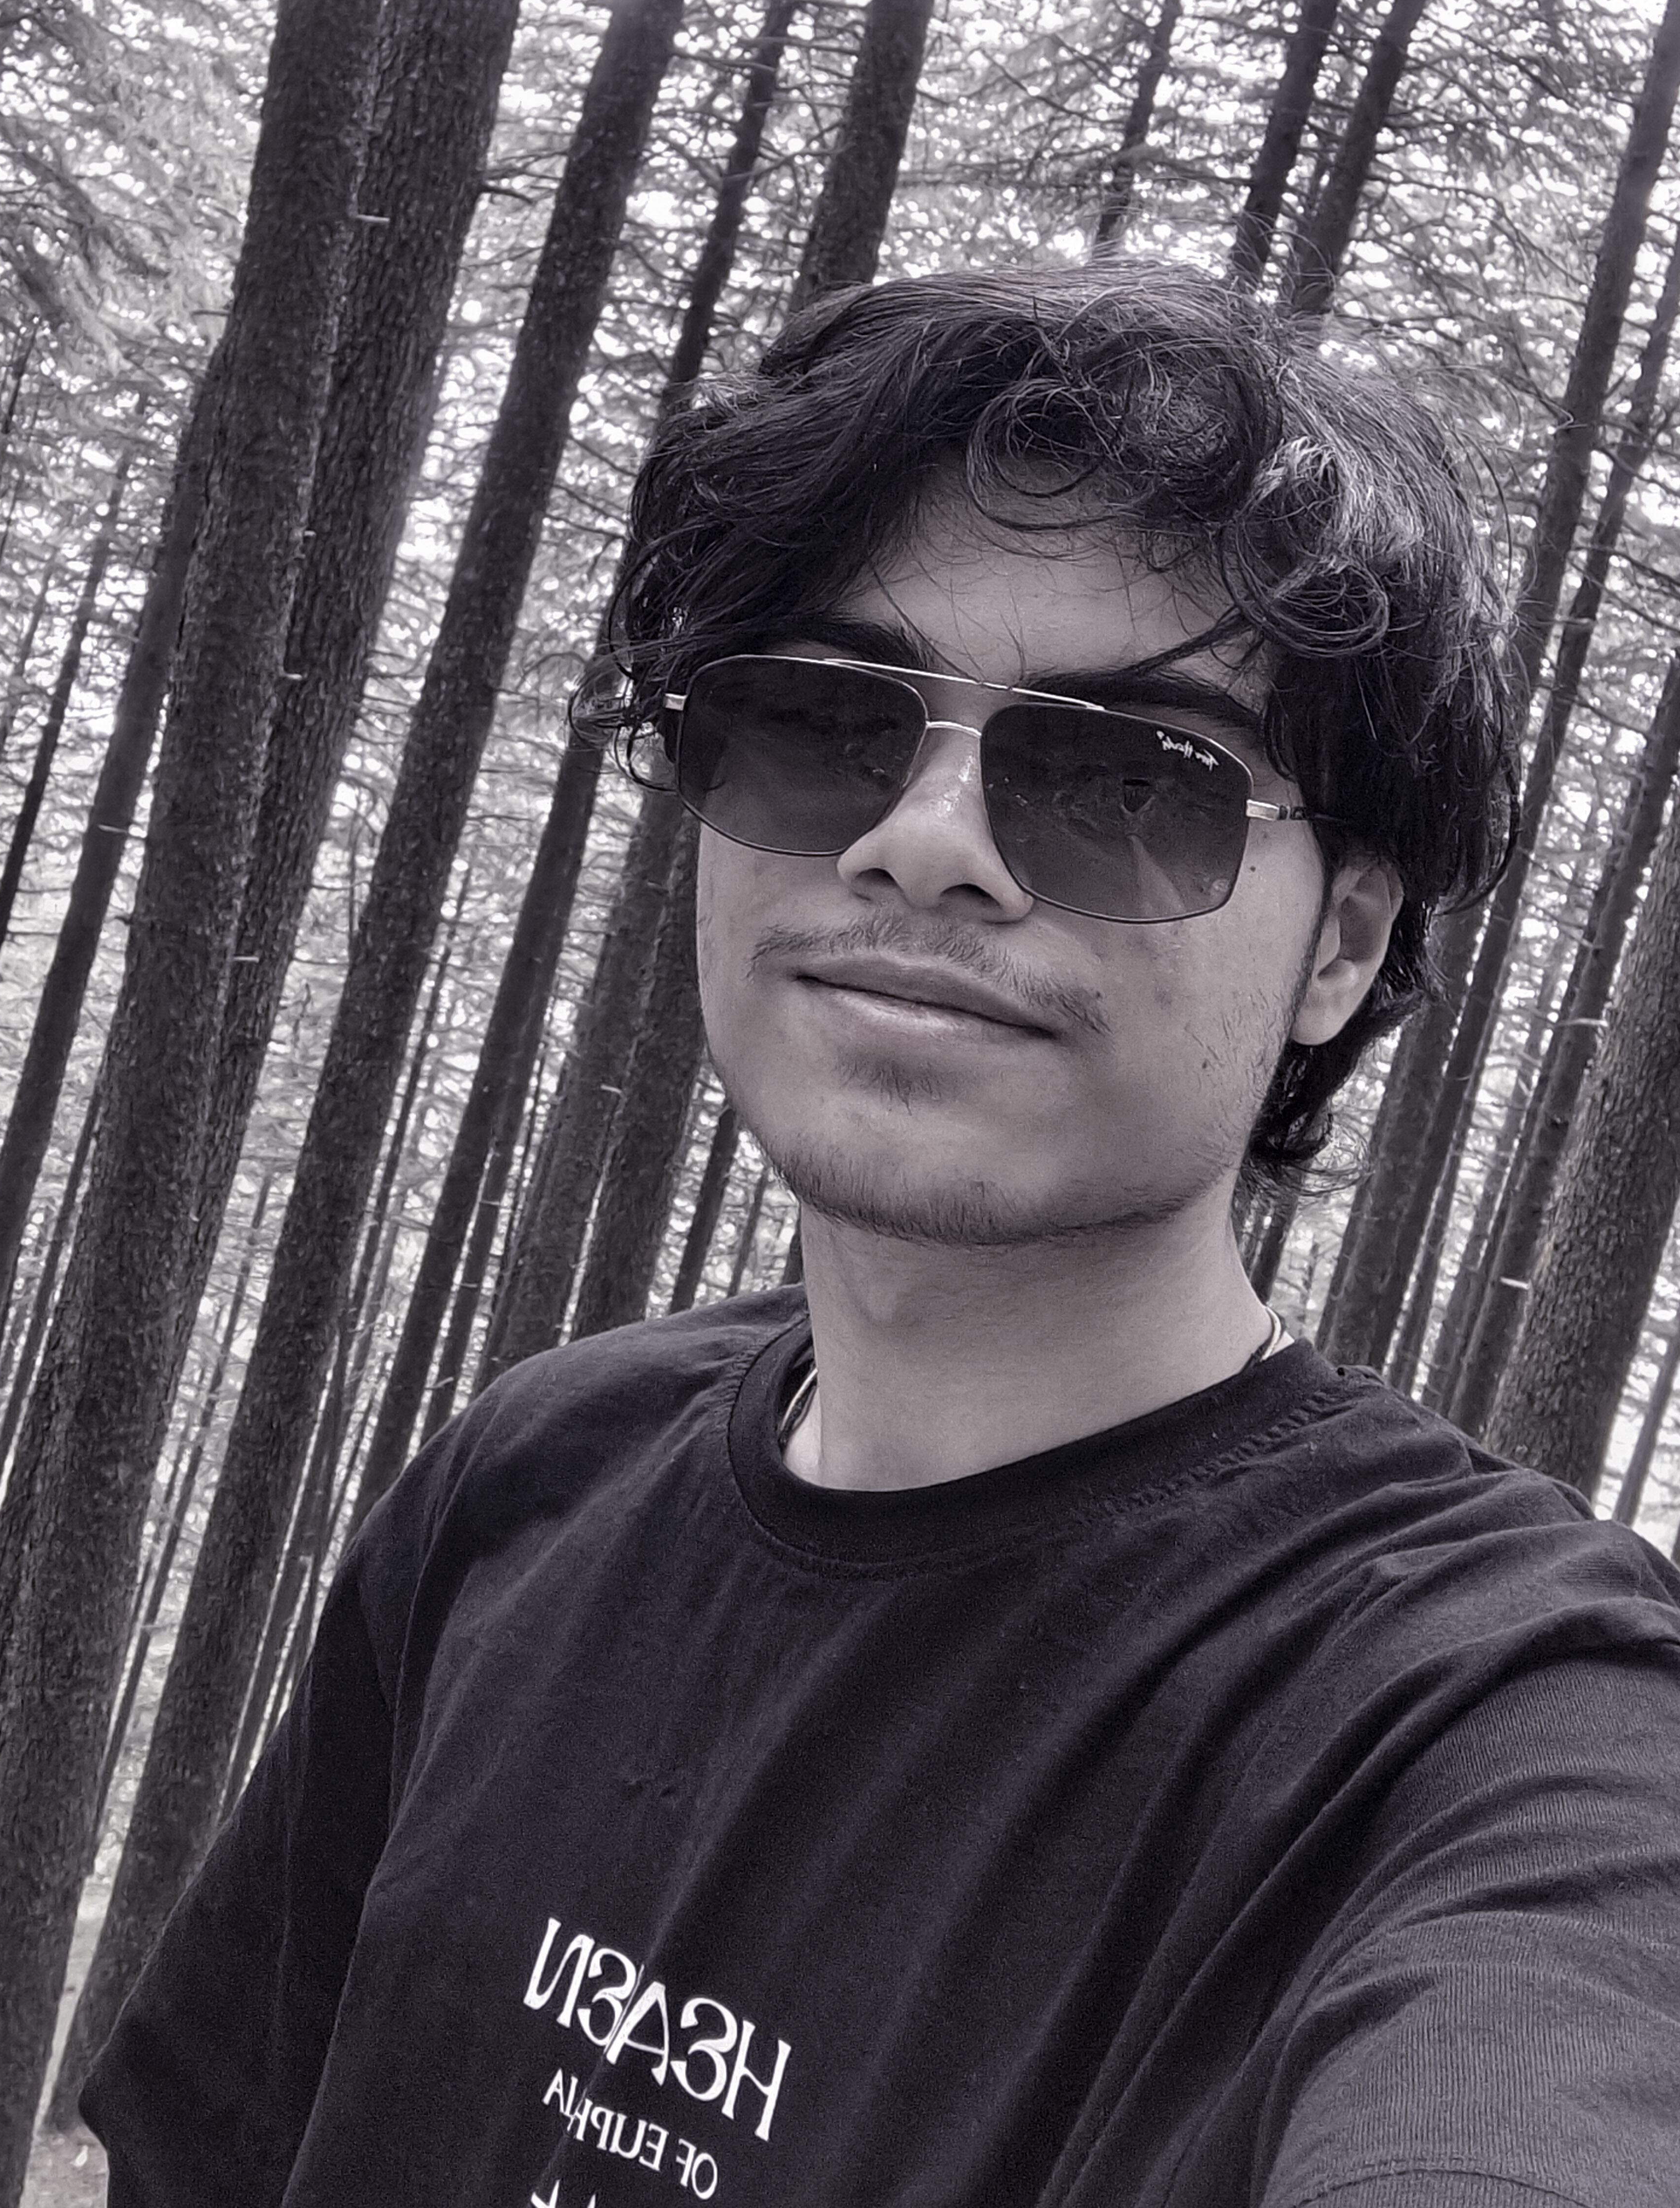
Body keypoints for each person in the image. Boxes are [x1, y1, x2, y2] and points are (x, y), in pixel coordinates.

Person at [82, 264, 1680, 2206]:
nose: (923, 841)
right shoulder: (532, 1481)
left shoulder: (1497, 1730)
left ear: (1343, 944)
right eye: (822, 724)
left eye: (1123, 780)